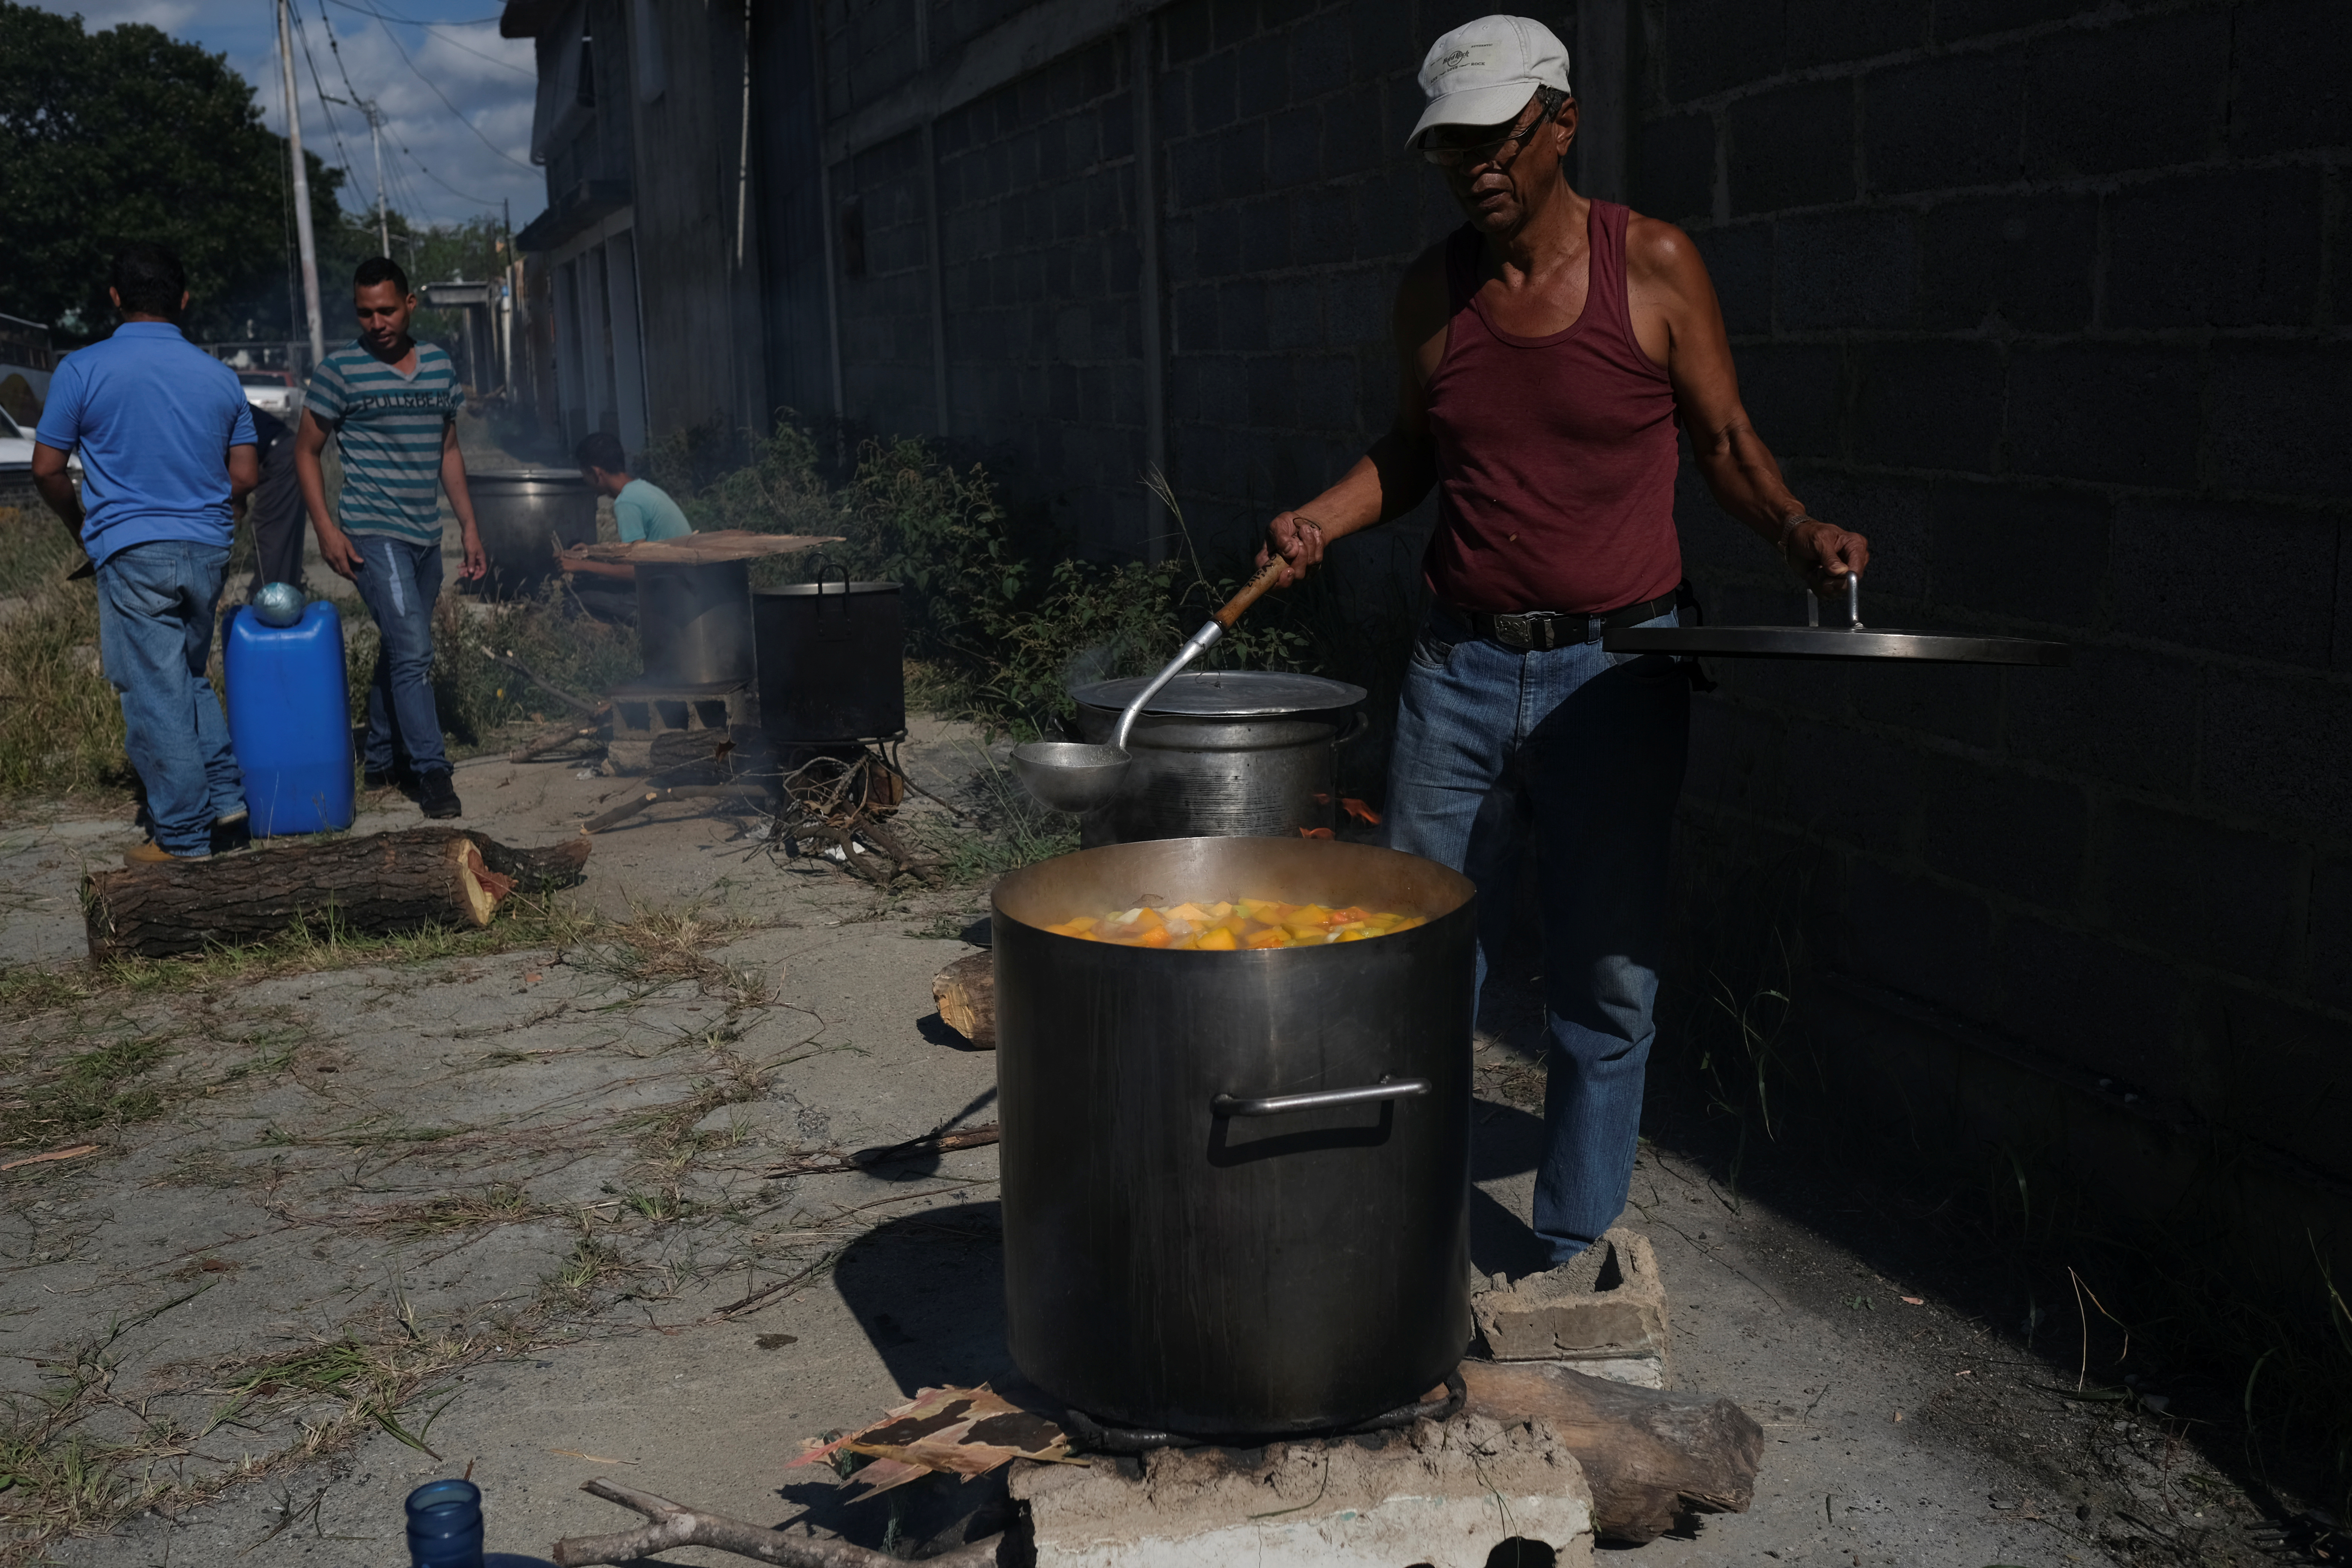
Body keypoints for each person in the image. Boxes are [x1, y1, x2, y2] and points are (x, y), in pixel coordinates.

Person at [1256, 16, 1871, 1272]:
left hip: (1617, 674)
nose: (1475, 165)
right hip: (1456, 670)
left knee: (1608, 976)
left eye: (1496, 139)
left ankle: (1568, 1248)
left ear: (1561, 124)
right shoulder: (1434, 294)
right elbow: (1414, 453)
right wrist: (1325, 515)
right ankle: (1396, 1240)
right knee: (1411, 959)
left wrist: (1798, 529)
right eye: (1450, 149)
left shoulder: (1650, 265)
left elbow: (1725, 442)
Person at [30, 244, 259, 864]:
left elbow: (47, 467)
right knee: (186, 676)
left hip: (133, 549)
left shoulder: (83, 369)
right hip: (209, 547)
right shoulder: (220, 376)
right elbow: (244, 473)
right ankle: (227, 798)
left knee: (154, 694)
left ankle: (183, 840)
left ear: (114, 298)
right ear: (184, 300)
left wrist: (82, 526)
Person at [294, 256, 486, 819]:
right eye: (364, 313)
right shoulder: (339, 372)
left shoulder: (438, 367)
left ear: (409, 305)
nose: (376, 322)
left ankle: (379, 756)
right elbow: (306, 451)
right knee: (415, 653)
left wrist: (469, 527)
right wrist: (326, 528)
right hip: (372, 532)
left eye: (386, 310)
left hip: (425, 536)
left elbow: (449, 452)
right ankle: (432, 772)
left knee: (403, 650)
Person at [575, 430, 692, 542]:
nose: (585, 481)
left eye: (585, 475)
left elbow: (632, 559)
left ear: (596, 473)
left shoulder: (626, 502)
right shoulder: (641, 488)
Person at [243, 403, 306, 594]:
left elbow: (243, 479)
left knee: (274, 539)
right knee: (277, 542)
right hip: (274, 453)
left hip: (278, 455)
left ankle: (270, 605)